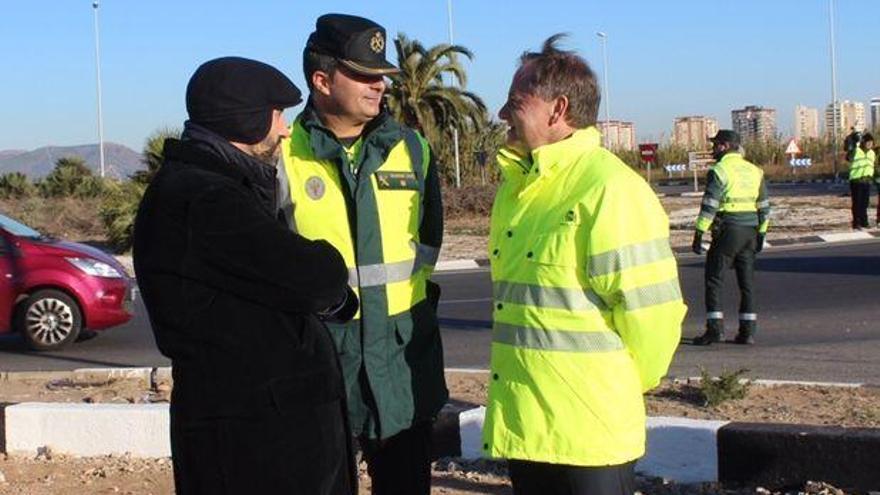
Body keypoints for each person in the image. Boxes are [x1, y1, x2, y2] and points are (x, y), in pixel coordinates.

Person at [133, 57, 359, 495]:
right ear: (245, 117)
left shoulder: (213, 186)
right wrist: (329, 277)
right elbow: (315, 276)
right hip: (253, 443)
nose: (285, 129)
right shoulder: (206, 198)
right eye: (278, 115)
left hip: (261, 434)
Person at [482, 35, 686, 495]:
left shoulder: (610, 189)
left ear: (558, 109)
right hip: (527, 428)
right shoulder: (516, 190)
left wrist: (614, 385)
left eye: (516, 101)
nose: (502, 113)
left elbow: (653, 317)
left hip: (589, 434)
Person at [277, 14, 446, 495]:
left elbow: (429, 240)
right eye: (364, 74)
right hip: (322, 362)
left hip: (401, 364)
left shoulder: (412, 149)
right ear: (322, 80)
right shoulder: (285, 155)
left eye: (382, 75)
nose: (380, 85)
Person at [692, 130, 771, 345]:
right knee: (747, 283)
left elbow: (710, 204)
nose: (713, 149)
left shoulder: (719, 170)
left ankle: (715, 330)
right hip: (751, 230)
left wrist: (700, 231)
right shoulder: (755, 171)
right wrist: (762, 233)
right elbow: (764, 206)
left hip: (729, 229)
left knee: (714, 278)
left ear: (725, 146)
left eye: (716, 145)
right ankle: (748, 332)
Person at [848, 133, 875, 230]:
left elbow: (872, 166)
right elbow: (848, 157)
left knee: (865, 203)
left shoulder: (872, 153)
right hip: (856, 180)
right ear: (863, 142)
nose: (870, 144)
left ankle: (864, 222)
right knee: (857, 203)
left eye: (871, 142)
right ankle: (856, 223)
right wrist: (852, 142)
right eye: (868, 142)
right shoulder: (856, 151)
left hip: (866, 181)